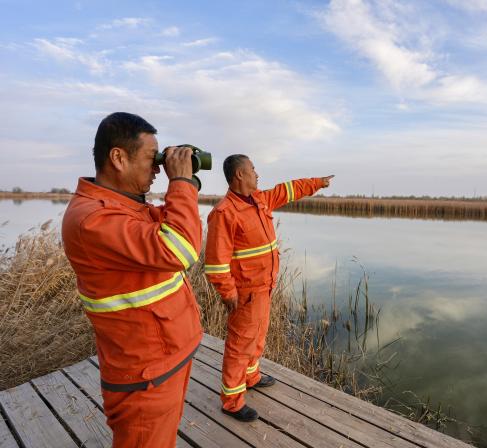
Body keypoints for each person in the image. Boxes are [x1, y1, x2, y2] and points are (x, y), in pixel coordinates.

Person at [62, 112, 203, 447]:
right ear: (118, 157)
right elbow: (181, 250)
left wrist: (187, 182)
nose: (157, 168)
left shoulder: (124, 206)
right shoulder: (93, 218)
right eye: (151, 159)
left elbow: (168, 231)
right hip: (145, 376)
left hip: (164, 360)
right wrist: (180, 183)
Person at [204, 154, 333, 421]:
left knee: (259, 335)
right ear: (239, 175)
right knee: (240, 344)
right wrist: (228, 293)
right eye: (252, 169)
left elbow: (289, 189)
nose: (257, 174)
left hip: (265, 287)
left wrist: (318, 182)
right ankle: (232, 401)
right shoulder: (224, 213)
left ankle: (251, 376)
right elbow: (216, 263)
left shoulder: (260, 200)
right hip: (246, 293)